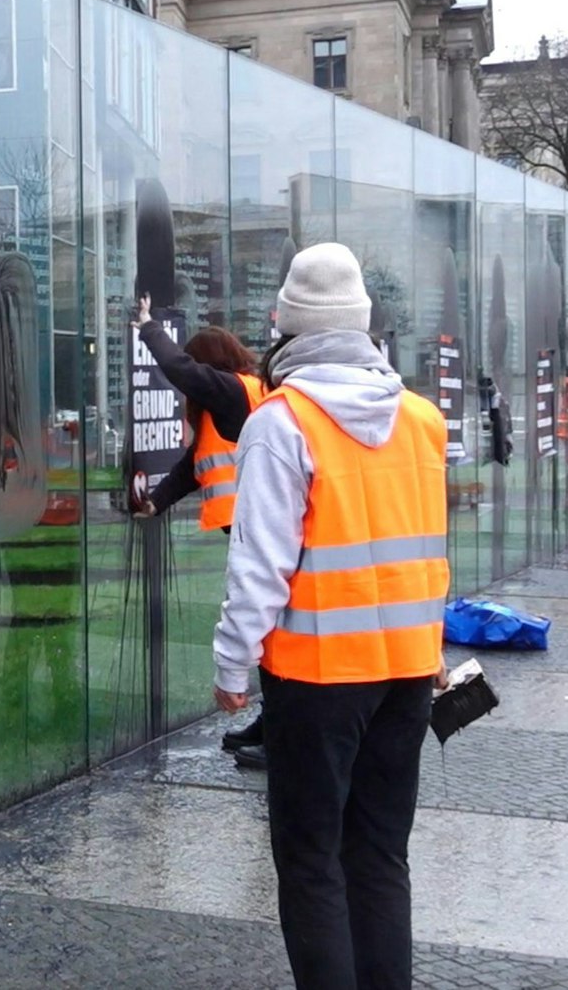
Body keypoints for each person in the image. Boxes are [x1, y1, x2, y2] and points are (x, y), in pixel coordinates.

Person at [214, 242, 448, 990]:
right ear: (365, 324)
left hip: (316, 677)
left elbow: (260, 563)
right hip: (408, 672)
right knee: (380, 855)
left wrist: (231, 661)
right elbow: (426, 549)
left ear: (284, 323)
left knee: (312, 861)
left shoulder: (282, 423)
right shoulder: (422, 418)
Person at [128, 304, 270, 766]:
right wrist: (156, 502)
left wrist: (149, 329)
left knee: (271, 626)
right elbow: (193, 468)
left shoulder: (233, 391)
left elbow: (180, 369)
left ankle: (280, 734)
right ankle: (273, 725)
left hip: (260, 526)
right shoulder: (226, 405)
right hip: (253, 525)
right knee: (271, 627)